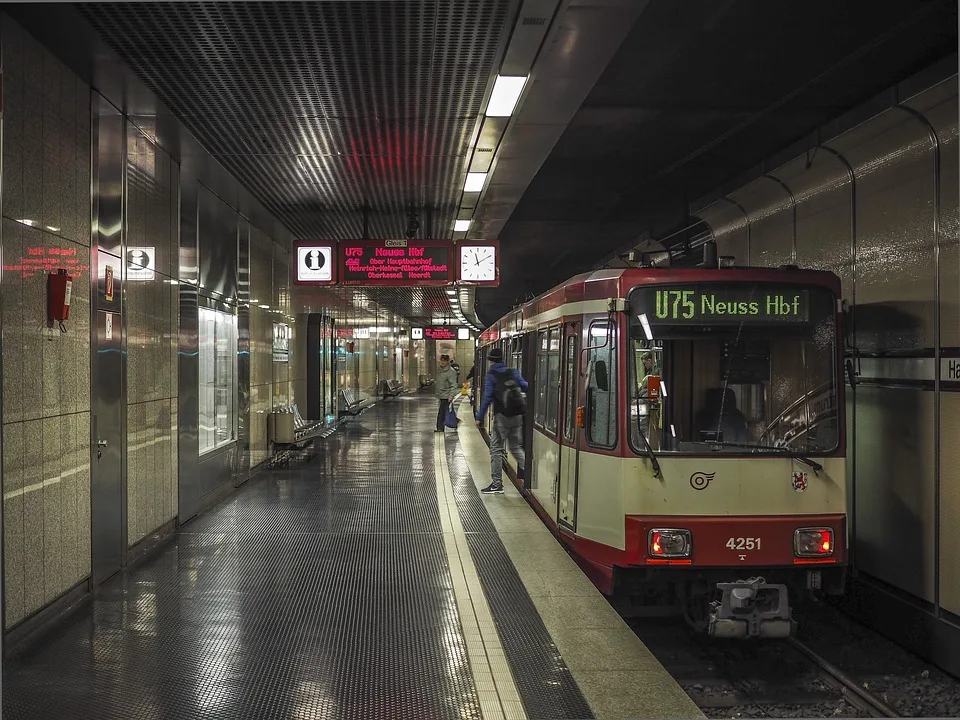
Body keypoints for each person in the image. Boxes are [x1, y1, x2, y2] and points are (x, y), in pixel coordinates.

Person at [475, 348, 527, 494]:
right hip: (517, 416)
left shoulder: (491, 375)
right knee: (515, 447)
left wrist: (480, 417)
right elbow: (525, 386)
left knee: (496, 449)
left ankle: (497, 484)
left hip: (502, 417)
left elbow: (487, 397)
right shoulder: (513, 372)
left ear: (490, 360)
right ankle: (529, 473)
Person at [435, 354, 459, 433]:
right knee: (444, 411)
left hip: (446, 395)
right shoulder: (439, 370)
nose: (442, 363)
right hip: (441, 395)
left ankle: (440, 428)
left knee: (442, 412)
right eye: (441, 361)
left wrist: (451, 395)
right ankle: (441, 427)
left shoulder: (451, 372)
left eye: (444, 361)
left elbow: (453, 385)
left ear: (447, 362)